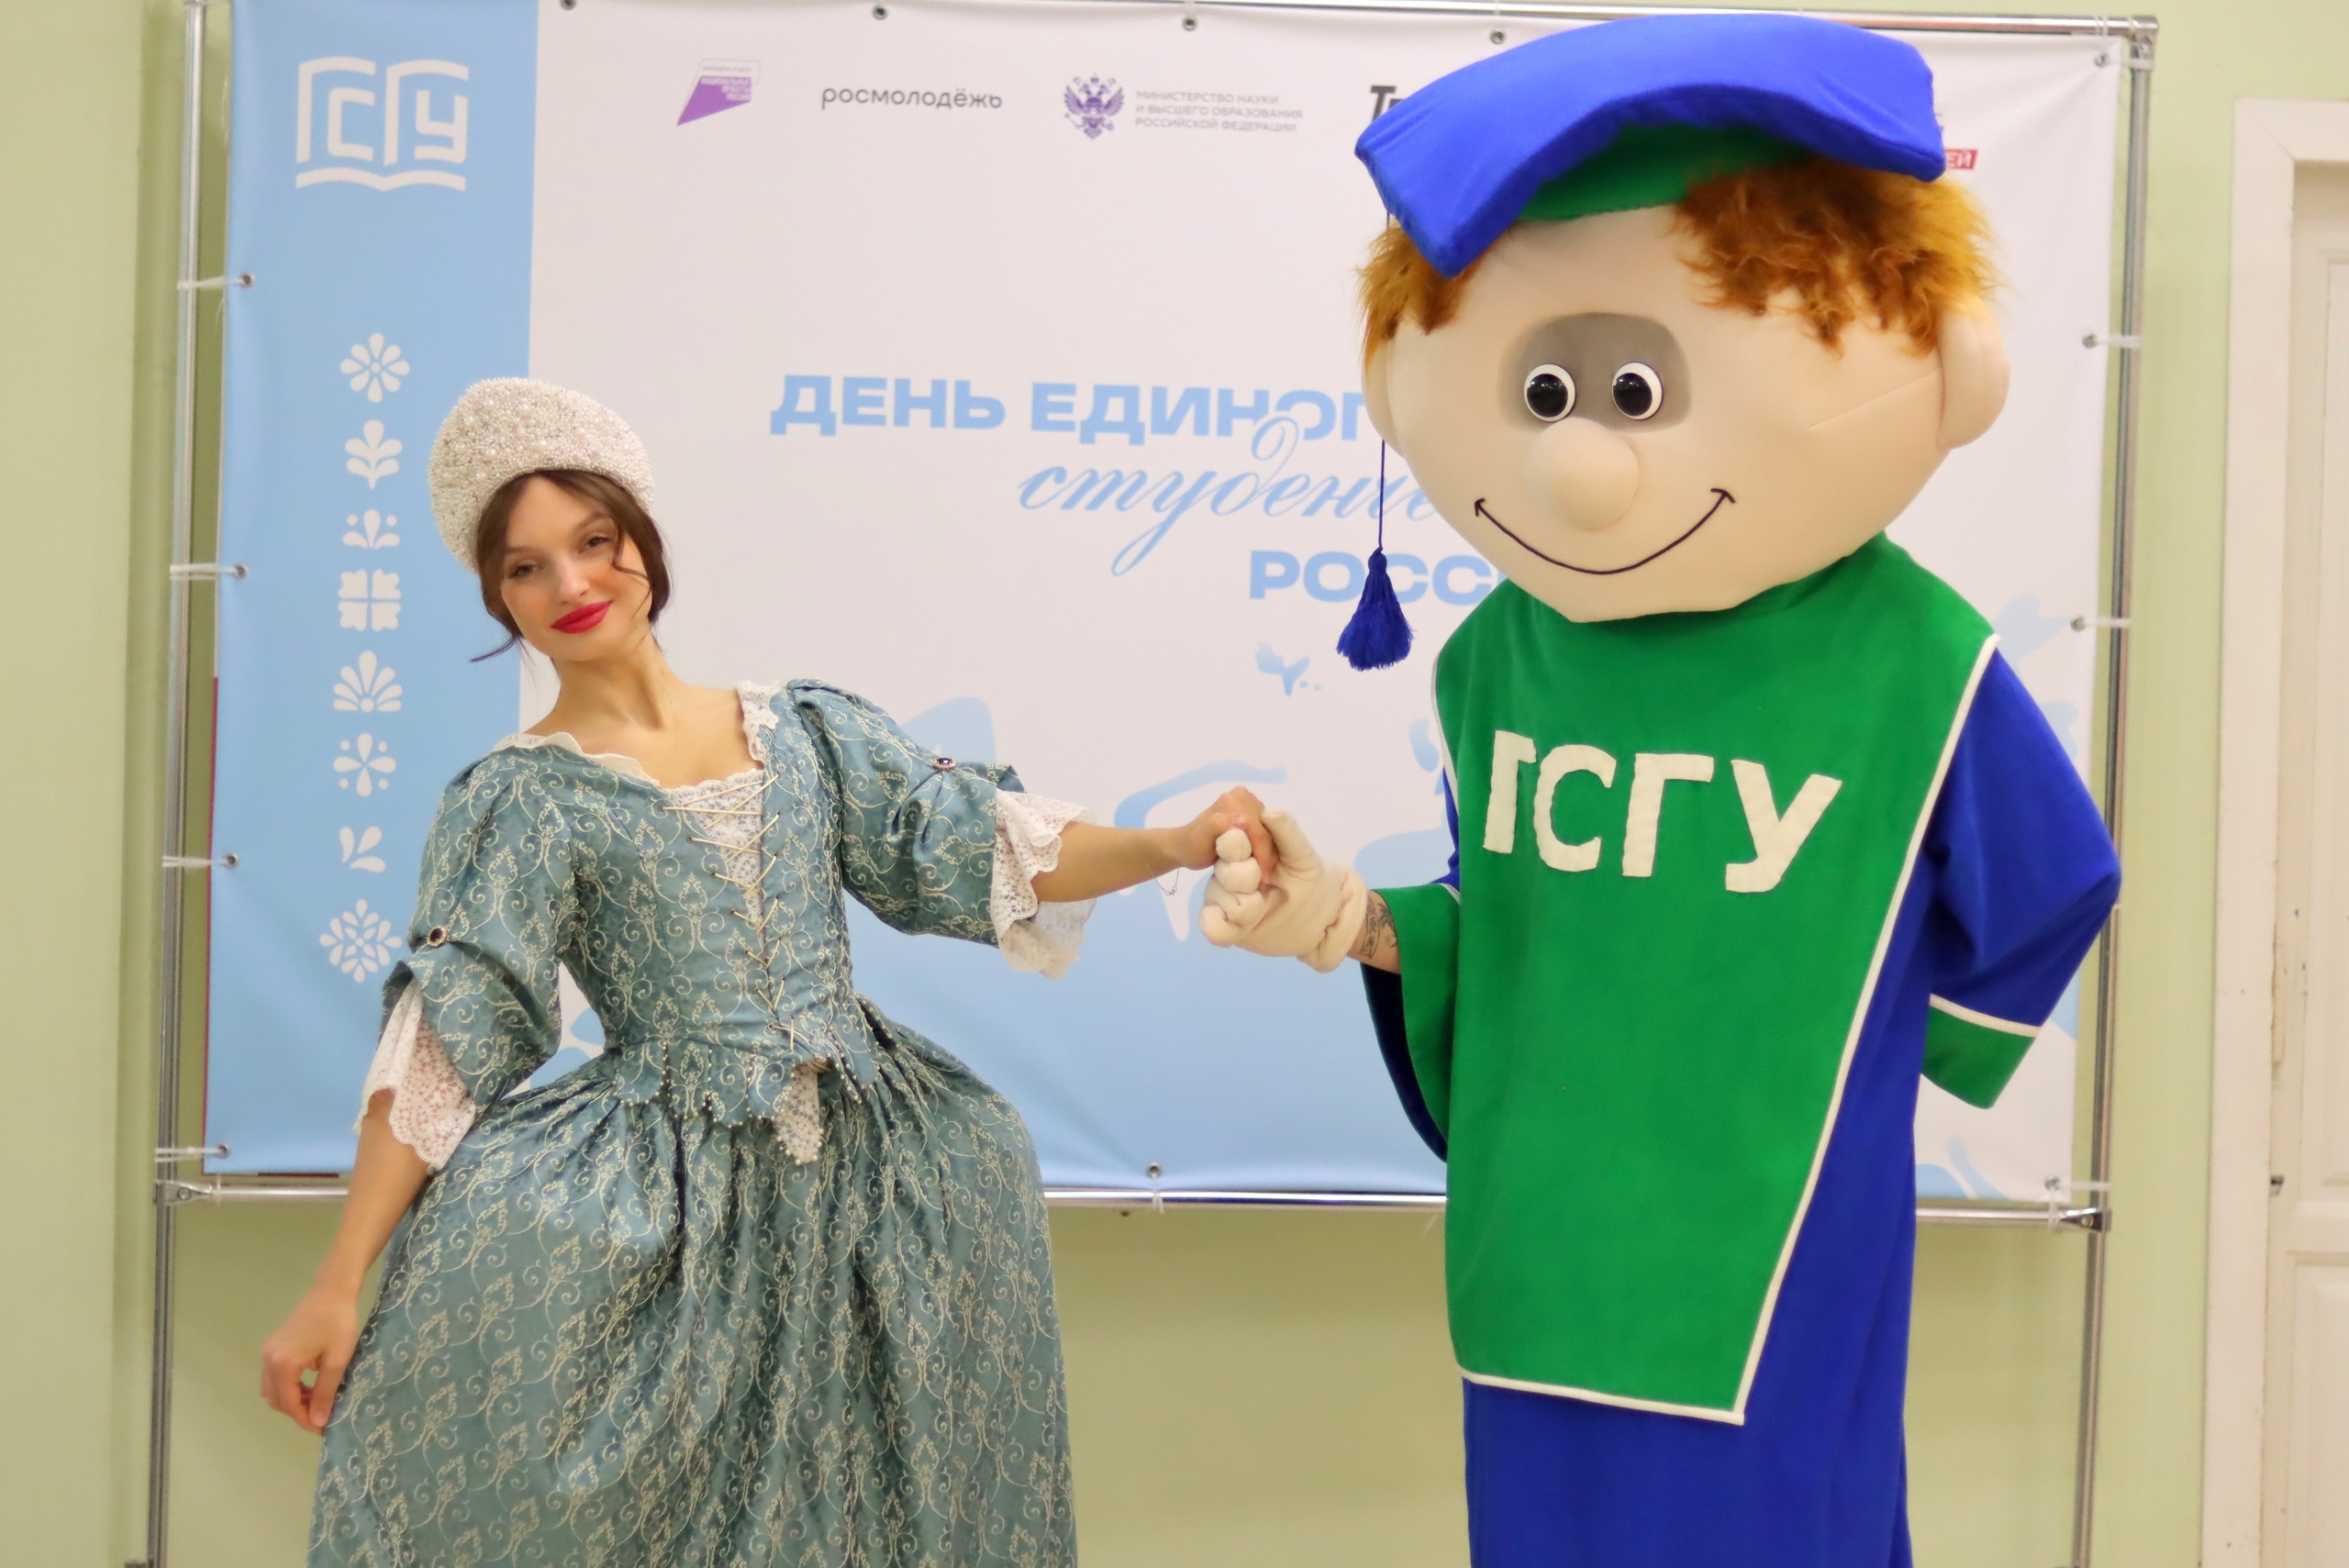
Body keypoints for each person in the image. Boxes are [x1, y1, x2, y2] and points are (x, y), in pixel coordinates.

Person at [1201, 16, 2120, 1567]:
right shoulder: (1504, 654)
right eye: (1546, 393)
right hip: (1541, 1246)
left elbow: (2052, 878)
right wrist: (1349, 918)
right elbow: (1513, 923)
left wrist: (1882, 1029)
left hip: (1770, 1250)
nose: (1583, 463)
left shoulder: (1912, 657)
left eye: (1632, 389)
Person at [262, 378, 1272, 1567]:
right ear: (499, 596)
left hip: (878, 1176)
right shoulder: (520, 795)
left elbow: (973, 841)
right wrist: (339, 1280)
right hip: (673, 1207)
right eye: (527, 568)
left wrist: (1174, 843)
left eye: (595, 541)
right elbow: (447, 1032)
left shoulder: (804, 730)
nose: (573, 584)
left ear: (642, 541)